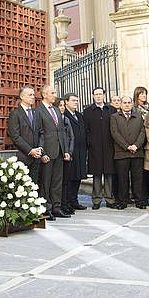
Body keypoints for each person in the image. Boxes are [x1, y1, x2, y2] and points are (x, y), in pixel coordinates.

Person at [37, 85, 71, 219]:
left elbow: (61, 132)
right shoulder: (38, 111)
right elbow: (39, 134)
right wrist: (43, 152)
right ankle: (46, 209)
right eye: (52, 93)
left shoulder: (57, 110)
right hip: (47, 152)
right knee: (46, 182)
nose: (55, 95)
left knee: (57, 181)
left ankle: (57, 208)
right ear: (44, 95)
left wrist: (66, 150)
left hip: (59, 152)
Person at [83, 87, 117, 210]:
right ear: (92, 96)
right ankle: (96, 200)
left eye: (100, 94)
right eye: (96, 94)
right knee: (97, 175)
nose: (98, 96)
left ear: (104, 95)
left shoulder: (111, 110)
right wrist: (89, 144)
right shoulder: (87, 111)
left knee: (109, 174)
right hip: (94, 147)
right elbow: (85, 130)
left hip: (109, 147)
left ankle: (109, 198)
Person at [110, 96, 146, 209]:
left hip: (137, 152)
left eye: (128, 102)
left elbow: (142, 132)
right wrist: (127, 146)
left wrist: (136, 145)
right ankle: (123, 201)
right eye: (124, 102)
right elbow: (115, 133)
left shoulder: (139, 116)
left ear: (132, 104)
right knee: (122, 179)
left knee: (138, 178)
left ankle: (139, 200)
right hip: (121, 153)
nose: (126, 104)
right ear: (120, 104)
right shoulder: (114, 117)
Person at [7, 85, 43, 185]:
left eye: (33, 95)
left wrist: (39, 148)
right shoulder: (15, 114)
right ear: (22, 97)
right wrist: (30, 150)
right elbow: (15, 136)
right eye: (30, 95)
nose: (33, 97)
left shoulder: (36, 113)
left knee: (33, 186)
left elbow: (41, 132)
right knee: (22, 187)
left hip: (36, 157)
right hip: (23, 156)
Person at [62, 94, 87, 213]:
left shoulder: (79, 116)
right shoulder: (64, 115)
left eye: (77, 100)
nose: (76, 103)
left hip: (81, 150)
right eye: (73, 101)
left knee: (78, 177)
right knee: (70, 177)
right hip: (71, 151)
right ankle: (68, 201)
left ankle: (75, 200)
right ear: (66, 102)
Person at [57, 97, 76, 215]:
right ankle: (58, 205)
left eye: (64, 105)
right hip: (59, 155)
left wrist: (69, 152)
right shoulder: (55, 120)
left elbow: (71, 137)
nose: (63, 107)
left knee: (66, 182)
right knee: (58, 183)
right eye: (60, 105)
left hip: (67, 155)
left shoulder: (66, 120)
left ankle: (65, 204)